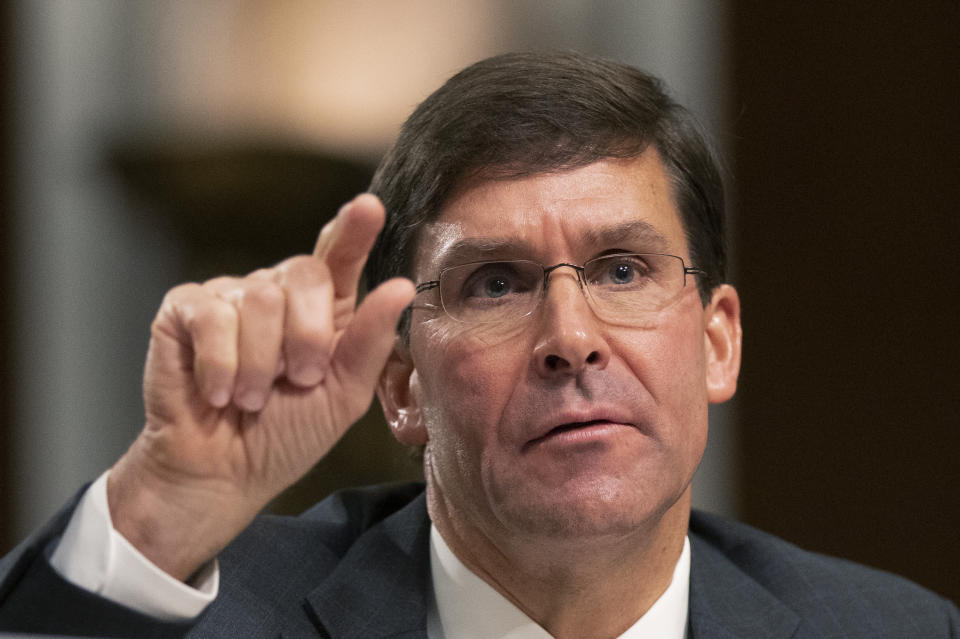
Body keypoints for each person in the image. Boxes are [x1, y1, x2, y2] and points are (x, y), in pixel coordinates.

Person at [0, 51, 956, 639]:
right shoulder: (217, 618)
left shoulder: (894, 631)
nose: (570, 339)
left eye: (622, 269)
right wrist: (162, 510)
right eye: (495, 283)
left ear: (717, 343)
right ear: (403, 382)